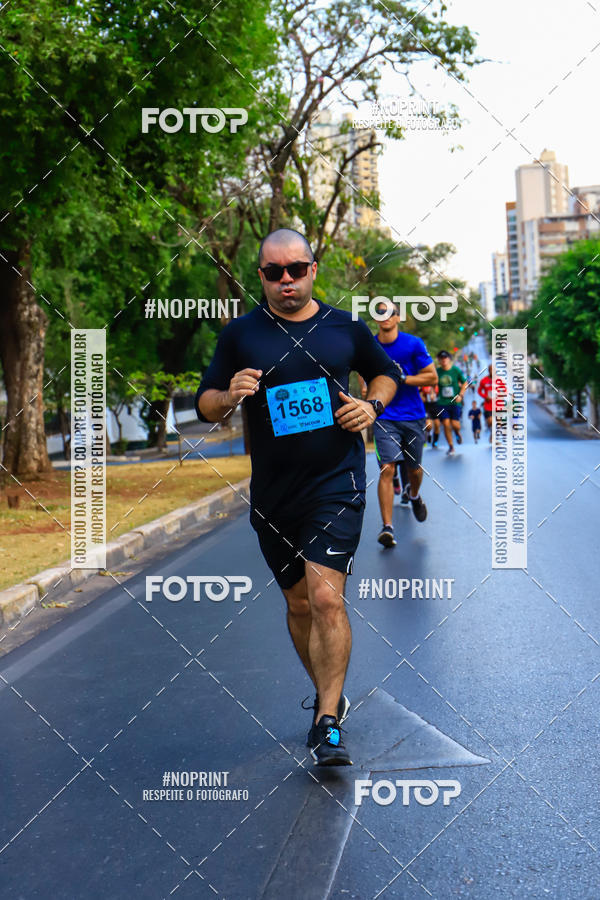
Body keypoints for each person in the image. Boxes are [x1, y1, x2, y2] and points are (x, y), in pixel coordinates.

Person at [196, 228, 401, 766]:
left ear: (313, 269)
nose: (286, 280)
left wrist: (370, 407)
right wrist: (228, 395)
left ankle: (327, 721)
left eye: (296, 270)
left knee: (327, 597)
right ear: (260, 276)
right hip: (274, 492)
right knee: (299, 603)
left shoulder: (344, 327)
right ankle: (329, 693)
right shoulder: (240, 334)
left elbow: (385, 374)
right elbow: (205, 403)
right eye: (273, 272)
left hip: (336, 483)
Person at [361, 300, 437, 546]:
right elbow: (364, 375)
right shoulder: (369, 345)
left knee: (414, 470)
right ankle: (387, 528)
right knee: (387, 469)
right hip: (384, 416)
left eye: (387, 312)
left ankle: (414, 495)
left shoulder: (413, 344)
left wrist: (401, 378)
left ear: (398, 316)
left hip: (413, 415)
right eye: (378, 312)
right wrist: (366, 387)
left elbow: (431, 377)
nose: (383, 316)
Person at [435, 350, 467, 455]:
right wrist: (431, 392)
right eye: (441, 358)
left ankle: (457, 432)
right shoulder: (437, 372)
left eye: (445, 358)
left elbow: (465, 383)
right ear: (439, 360)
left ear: (449, 359)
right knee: (446, 424)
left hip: (455, 402)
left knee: (455, 425)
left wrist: (461, 395)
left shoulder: (456, 370)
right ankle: (451, 446)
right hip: (443, 402)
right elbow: (432, 383)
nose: (443, 360)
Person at [478, 364, 494, 443]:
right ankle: (492, 432)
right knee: (490, 422)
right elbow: (479, 391)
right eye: (491, 370)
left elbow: (504, 390)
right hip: (488, 405)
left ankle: (493, 436)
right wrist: (485, 396)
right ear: (489, 371)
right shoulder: (484, 380)